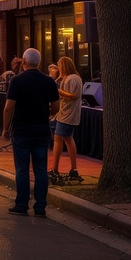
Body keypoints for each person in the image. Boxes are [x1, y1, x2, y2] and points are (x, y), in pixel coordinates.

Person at [3, 49, 60, 217]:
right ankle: (40, 206)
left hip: (21, 129)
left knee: (22, 168)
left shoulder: (16, 80)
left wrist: (5, 128)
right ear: (39, 63)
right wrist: (48, 114)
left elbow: (8, 107)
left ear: (24, 62)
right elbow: (56, 106)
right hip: (41, 129)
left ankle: (21, 204)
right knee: (40, 168)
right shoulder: (48, 81)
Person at [50, 56, 83, 185]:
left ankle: (55, 169)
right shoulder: (70, 78)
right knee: (68, 138)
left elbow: (74, 96)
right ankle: (73, 168)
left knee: (58, 138)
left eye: (59, 65)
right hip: (65, 113)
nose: (58, 68)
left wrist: (60, 91)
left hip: (67, 114)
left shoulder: (72, 79)